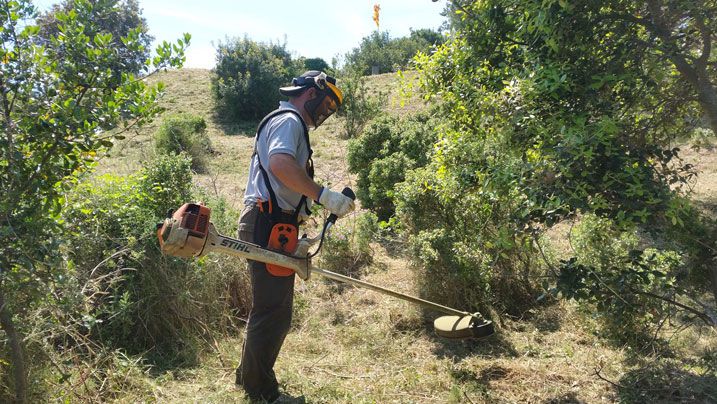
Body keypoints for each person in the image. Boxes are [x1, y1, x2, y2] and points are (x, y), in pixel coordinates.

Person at [236, 71, 355, 402]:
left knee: (269, 309)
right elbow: (280, 164)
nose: (327, 111)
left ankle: (248, 378)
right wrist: (324, 195)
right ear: (310, 93)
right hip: (267, 223)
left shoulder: (287, 121)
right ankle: (262, 393)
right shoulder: (290, 120)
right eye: (327, 102)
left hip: (273, 224)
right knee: (274, 312)